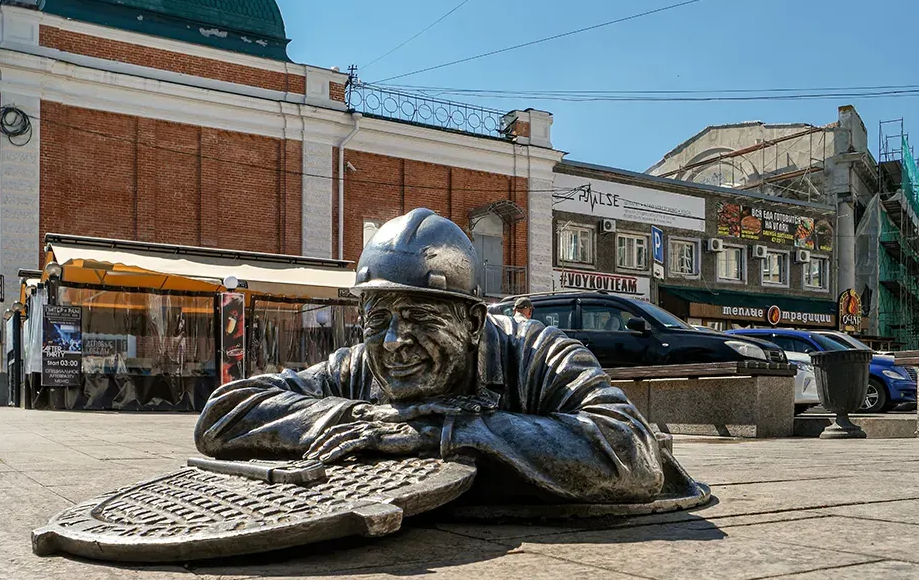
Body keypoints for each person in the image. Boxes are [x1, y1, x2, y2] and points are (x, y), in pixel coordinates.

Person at [195, 209, 681, 505]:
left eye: (421, 317)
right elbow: (224, 415)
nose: (392, 341)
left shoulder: (539, 352)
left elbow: (632, 452)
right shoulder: (359, 366)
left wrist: (443, 430)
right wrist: (367, 419)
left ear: (473, 323)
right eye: (378, 317)